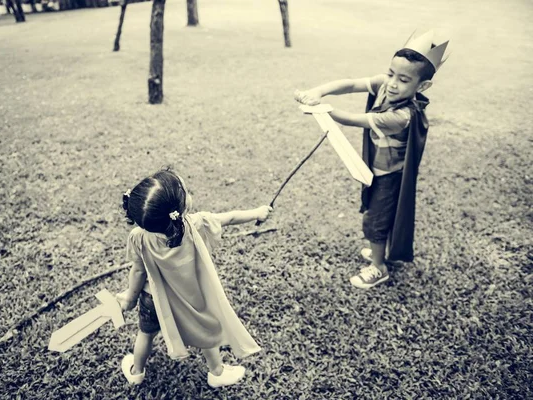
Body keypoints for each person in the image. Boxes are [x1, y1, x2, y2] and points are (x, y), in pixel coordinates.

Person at [294, 30, 449, 289]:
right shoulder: (386, 87)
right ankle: (379, 252)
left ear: (422, 87)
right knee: (376, 214)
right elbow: (351, 83)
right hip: (375, 168)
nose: (392, 83)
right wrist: (317, 91)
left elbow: (358, 120)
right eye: (390, 73)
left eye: (403, 79)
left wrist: (322, 109)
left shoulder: (403, 116)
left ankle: (378, 266)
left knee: (375, 220)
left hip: (389, 176)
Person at [117, 168, 273, 387]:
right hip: (191, 298)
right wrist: (257, 212)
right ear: (182, 208)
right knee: (205, 330)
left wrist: (130, 298)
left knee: (145, 334)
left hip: (153, 301)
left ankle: (136, 371)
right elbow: (231, 217)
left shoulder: (138, 237)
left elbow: (139, 271)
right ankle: (216, 373)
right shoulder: (197, 224)